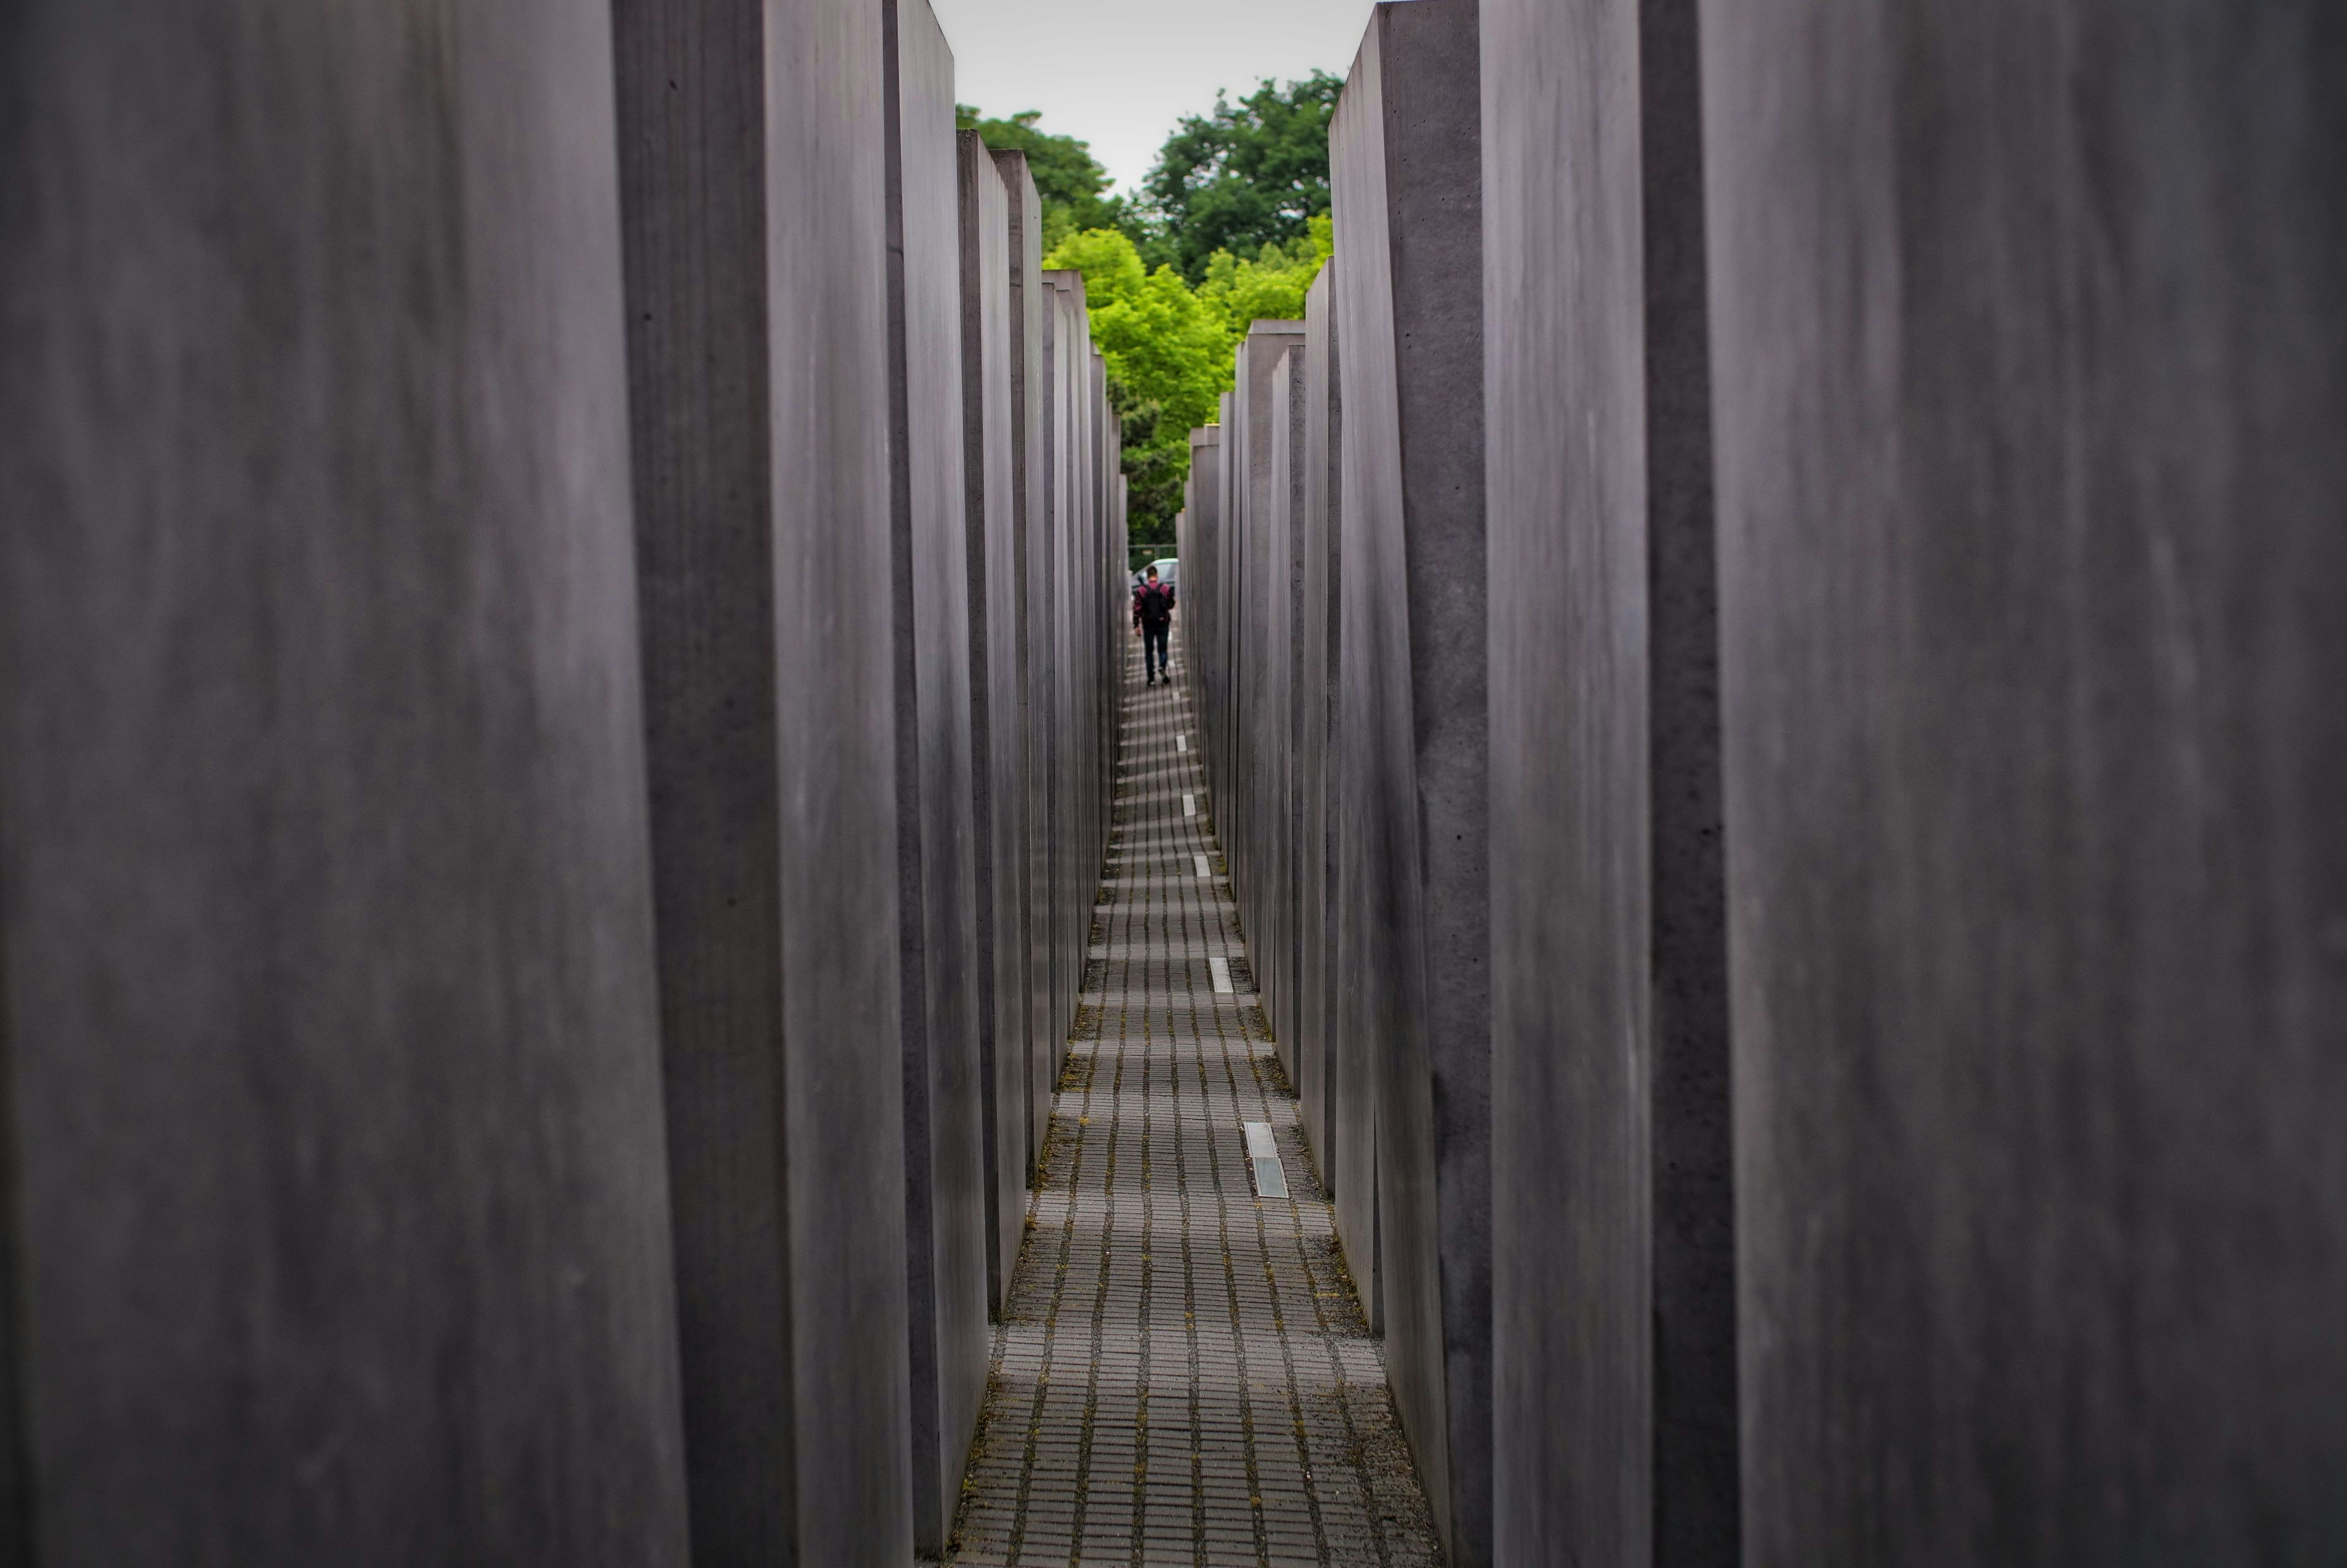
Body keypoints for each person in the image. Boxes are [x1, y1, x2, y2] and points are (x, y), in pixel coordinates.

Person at [1132, 564, 1175, 686]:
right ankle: (1162, 666)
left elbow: (1137, 609)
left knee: (1149, 651)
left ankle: (1151, 679)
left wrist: (1136, 625)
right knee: (1163, 649)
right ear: (1157, 575)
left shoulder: (1142, 590)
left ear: (1147, 577)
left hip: (1148, 624)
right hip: (1163, 623)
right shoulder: (1165, 588)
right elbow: (1170, 604)